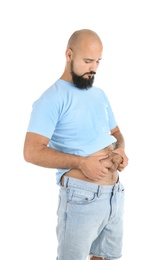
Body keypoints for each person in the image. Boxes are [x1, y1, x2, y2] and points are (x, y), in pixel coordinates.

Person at [23, 29, 128, 260]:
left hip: (114, 195)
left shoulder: (100, 94)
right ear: (69, 54)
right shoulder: (51, 98)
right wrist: (81, 162)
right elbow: (31, 152)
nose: (94, 68)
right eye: (88, 61)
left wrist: (120, 148)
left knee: (108, 257)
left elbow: (117, 133)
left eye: (98, 61)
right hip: (82, 197)